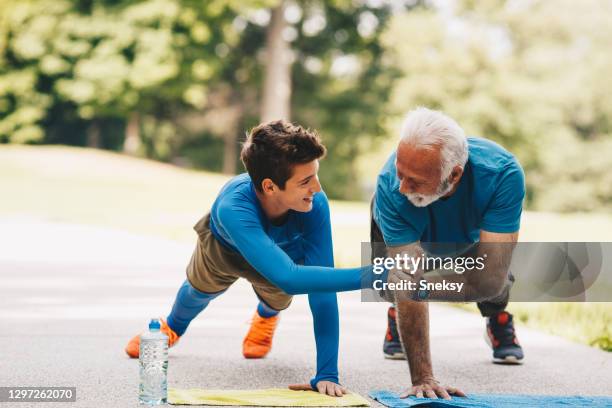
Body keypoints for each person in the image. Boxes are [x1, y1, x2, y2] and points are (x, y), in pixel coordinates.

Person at [125, 120, 370, 396]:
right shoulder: (233, 207)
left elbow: (320, 290)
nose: (316, 187)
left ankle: (265, 317)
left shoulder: (314, 205)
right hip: (224, 250)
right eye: (305, 181)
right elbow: (290, 278)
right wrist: (376, 275)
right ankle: (172, 327)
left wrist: (327, 372)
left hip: (280, 254)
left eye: (315, 175)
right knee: (198, 292)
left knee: (277, 296)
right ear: (269, 187)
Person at [371, 107, 525, 399]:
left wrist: (416, 289)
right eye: (400, 172)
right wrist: (423, 378)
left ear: (454, 175)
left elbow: (488, 277)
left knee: (493, 282)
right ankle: (399, 314)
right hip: (405, 227)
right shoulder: (390, 187)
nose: (402, 187)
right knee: (394, 284)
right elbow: (407, 278)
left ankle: (497, 320)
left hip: (467, 234)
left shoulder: (502, 175)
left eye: (414, 179)